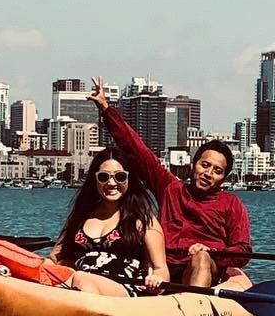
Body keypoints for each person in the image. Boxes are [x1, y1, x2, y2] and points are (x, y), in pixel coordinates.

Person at [88, 77, 252, 290]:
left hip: (204, 267)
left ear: (224, 177)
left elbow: (242, 250)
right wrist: (106, 108)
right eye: (205, 165)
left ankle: (194, 311)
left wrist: (212, 252)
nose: (208, 173)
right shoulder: (170, 188)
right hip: (164, 266)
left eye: (217, 171)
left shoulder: (231, 204)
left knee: (200, 259)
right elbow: (137, 150)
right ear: (193, 165)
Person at [50, 148, 170, 297]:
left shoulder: (143, 220)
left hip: (125, 290)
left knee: (82, 279)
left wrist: (157, 280)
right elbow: (54, 257)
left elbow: (161, 269)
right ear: (95, 180)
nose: (111, 183)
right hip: (78, 286)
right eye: (103, 177)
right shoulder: (80, 217)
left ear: (129, 179)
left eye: (119, 177)